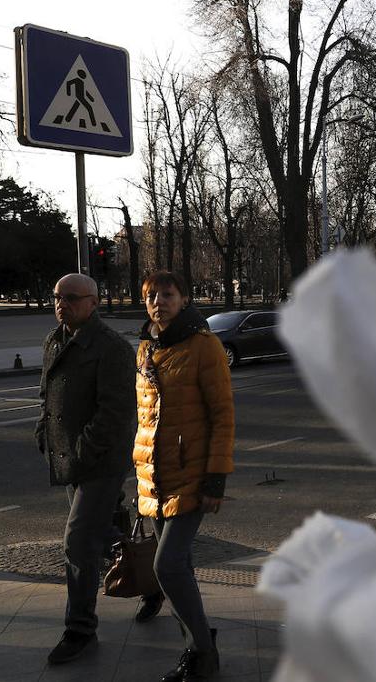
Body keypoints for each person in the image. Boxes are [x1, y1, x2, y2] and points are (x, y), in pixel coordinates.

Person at [134, 271, 235, 681]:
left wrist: (216, 479)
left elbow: (222, 415)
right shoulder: (144, 349)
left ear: (185, 298)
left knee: (168, 567)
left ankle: (204, 652)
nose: (160, 301)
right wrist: (137, 470)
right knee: (180, 570)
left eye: (169, 294)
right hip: (153, 476)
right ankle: (194, 649)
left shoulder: (204, 347)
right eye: (152, 296)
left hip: (193, 474)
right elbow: (145, 419)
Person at [36, 273, 137, 665]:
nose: (63, 304)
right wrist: (43, 432)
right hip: (66, 457)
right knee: (98, 535)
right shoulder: (54, 339)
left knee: (77, 542)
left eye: (73, 298)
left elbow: (116, 412)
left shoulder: (111, 347)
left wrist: (82, 450)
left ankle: (80, 629)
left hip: (100, 461)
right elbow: (47, 393)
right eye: (58, 296)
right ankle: (152, 574)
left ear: (94, 302)